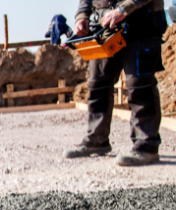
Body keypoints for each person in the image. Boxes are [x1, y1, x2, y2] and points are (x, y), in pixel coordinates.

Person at [63, 0, 167, 166]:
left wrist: (123, 9)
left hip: (141, 22)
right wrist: (82, 16)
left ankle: (146, 147)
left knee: (139, 85)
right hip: (106, 26)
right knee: (98, 85)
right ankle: (97, 140)